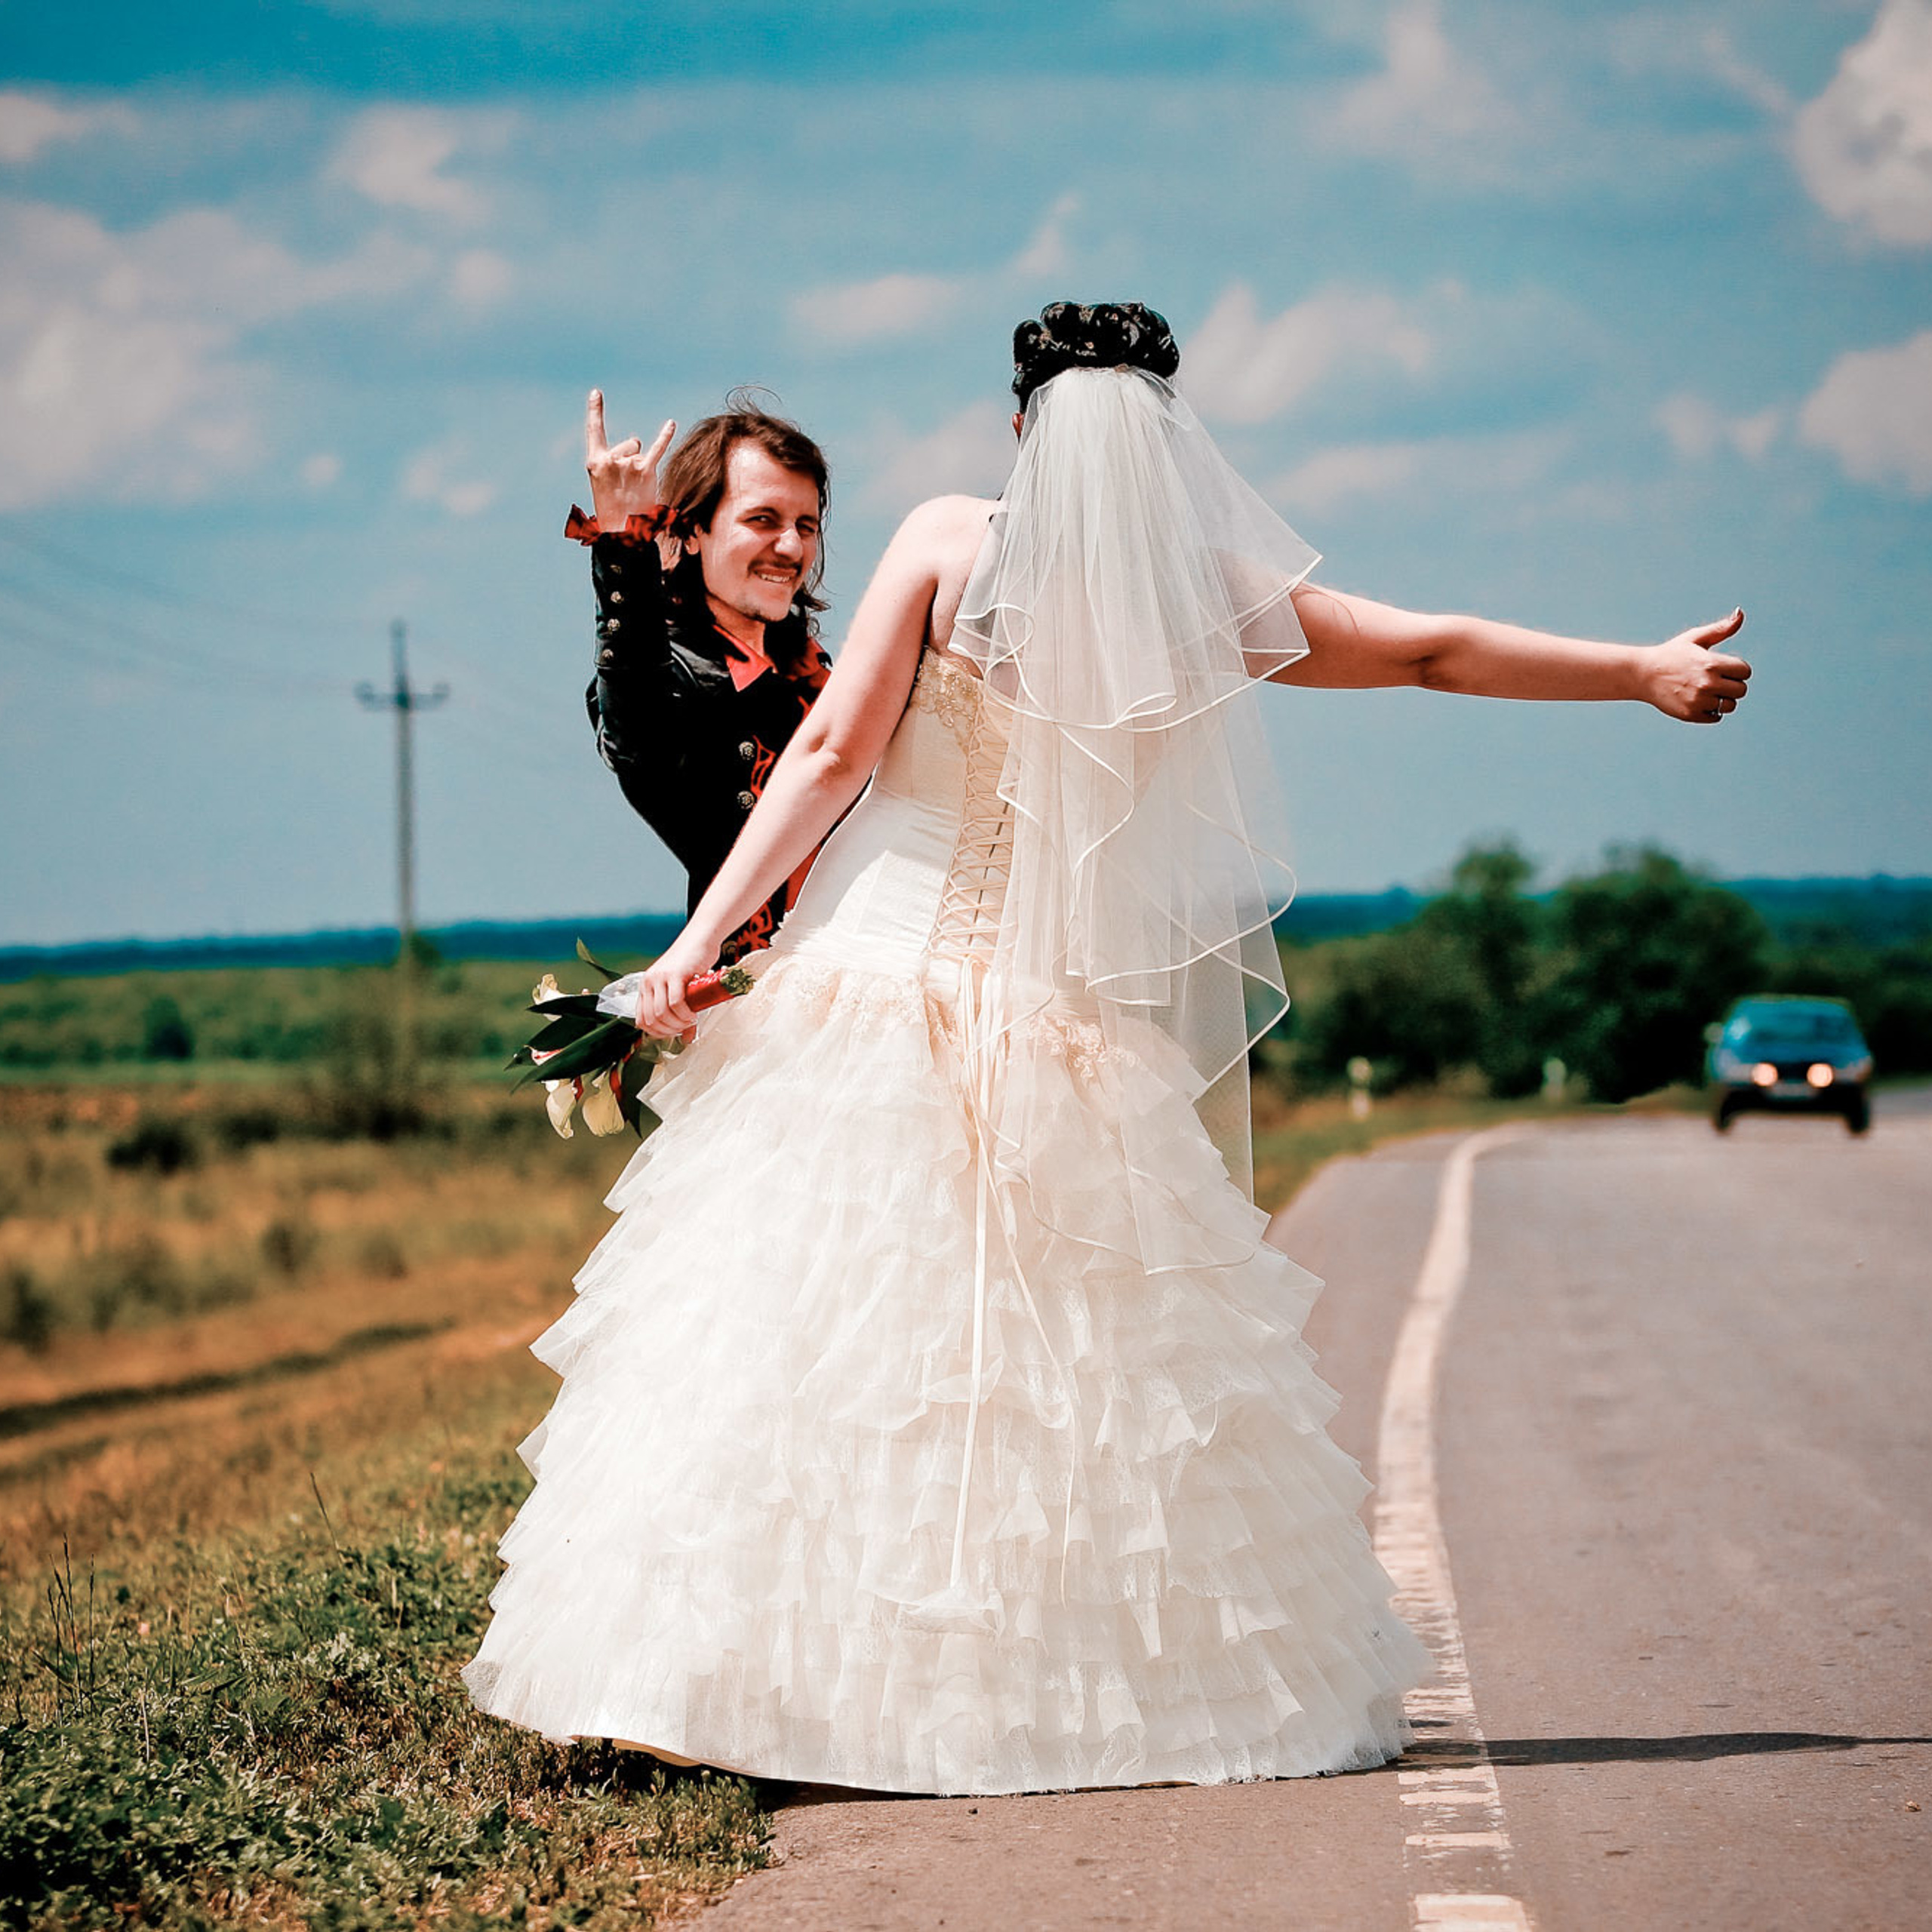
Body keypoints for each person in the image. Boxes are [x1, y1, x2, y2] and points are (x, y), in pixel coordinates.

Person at [466, 303, 1750, 1795]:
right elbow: (1432, 652)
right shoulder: (1198, 592)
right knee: (1055, 1370)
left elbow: (825, 759)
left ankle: (718, 1676)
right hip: (1056, 1023)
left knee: (787, 1339)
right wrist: (1635, 667)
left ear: (1022, 427)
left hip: (872, 978)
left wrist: (682, 964)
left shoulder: (950, 538)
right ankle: (1014, 1685)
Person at [573, 393, 833, 959]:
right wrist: (623, 542)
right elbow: (638, 721)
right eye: (762, 520)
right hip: (755, 1007)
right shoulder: (682, 682)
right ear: (692, 532)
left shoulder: (819, 679)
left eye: (806, 525)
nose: (790, 546)